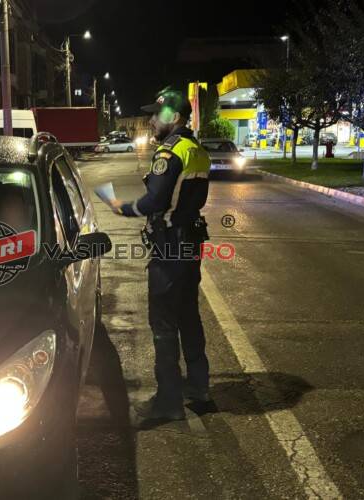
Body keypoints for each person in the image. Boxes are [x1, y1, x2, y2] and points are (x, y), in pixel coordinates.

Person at [109, 88, 212, 422]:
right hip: (190, 244)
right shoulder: (196, 149)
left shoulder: (170, 152)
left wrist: (124, 208)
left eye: (157, 114)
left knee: (163, 323)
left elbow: (155, 200)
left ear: (175, 117)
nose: (152, 120)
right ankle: (198, 386)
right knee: (188, 315)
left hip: (169, 248)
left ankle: (168, 401)